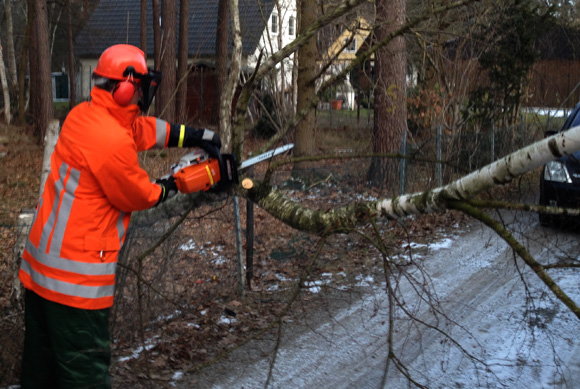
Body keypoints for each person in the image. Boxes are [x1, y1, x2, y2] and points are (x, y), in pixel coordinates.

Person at [18, 44, 221, 388]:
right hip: (74, 284)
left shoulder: (86, 115)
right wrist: (174, 183)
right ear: (124, 87)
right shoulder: (109, 139)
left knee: (42, 371)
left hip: (40, 272)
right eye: (140, 85)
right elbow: (138, 193)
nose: (143, 93)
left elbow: (140, 131)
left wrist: (194, 134)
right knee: (86, 374)